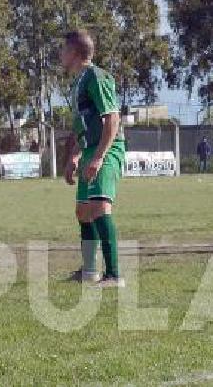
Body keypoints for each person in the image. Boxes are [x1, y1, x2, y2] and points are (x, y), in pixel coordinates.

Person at [61, 30, 125, 288]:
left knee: (99, 207)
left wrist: (99, 156)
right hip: (89, 149)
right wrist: (75, 156)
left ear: (75, 52)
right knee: (83, 211)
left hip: (107, 148)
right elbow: (83, 125)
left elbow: (112, 118)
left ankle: (114, 275)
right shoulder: (79, 81)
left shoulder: (96, 77)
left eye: (63, 49)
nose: (60, 54)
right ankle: (89, 271)